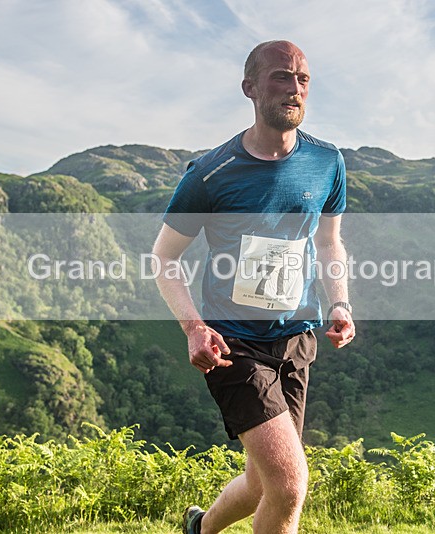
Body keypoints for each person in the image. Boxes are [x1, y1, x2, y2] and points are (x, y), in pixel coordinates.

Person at [151, 40, 355, 534]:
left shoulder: (328, 162)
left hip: (297, 338)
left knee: (263, 484)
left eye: (303, 79)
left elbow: (329, 243)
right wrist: (194, 328)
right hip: (232, 343)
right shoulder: (210, 173)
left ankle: (199, 528)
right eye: (280, 77)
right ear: (250, 88)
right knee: (289, 484)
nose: (294, 88)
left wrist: (340, 302)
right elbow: (164, 258)